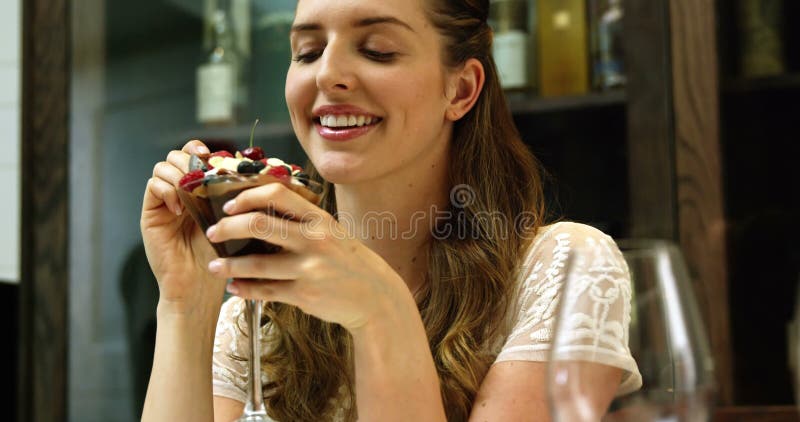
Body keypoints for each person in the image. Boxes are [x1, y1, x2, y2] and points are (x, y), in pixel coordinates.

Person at [140, 0, 641, 420]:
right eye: (307, 52)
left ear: (461, 89)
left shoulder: (565, 271)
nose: (329, 74)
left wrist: (383, 312)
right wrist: (186, 304)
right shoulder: (256, 320)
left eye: (378, 51)